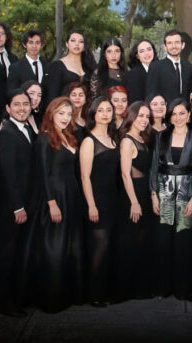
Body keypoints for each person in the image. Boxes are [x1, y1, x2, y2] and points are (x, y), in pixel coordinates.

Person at [30, 97, 86, 313]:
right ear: (51, 113)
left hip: (71, 194)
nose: (65, 118)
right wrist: (51, 203)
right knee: (54, 247)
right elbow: (43, 174)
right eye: (60, 113)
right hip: (54, 196)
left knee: (70, 246)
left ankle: (68, 294)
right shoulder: (44, 140)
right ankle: (50, 298)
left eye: (68, 113)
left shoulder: (69, 137)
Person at [149, 98, 192, 299]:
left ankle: (183, 288)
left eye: (182, 113)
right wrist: (154, 195)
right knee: (163, 240)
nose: (178, 117)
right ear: (169, 116)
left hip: (186, 191)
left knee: (184, 239)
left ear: (189, 115)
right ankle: (163, 287)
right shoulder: (160, 136)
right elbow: (154, 166)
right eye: (174, 114)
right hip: (163, 191)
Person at [0, 88, 38, 318]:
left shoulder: (27, 128)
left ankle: (15, 297)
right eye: (17, 105)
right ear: (8, 108)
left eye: (26, 104)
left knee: (18, 252)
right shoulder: (7, 133)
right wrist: (17, 206)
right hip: (12, 207)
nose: (22, 109)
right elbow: (8, 174)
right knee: (5, 253)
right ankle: (2, 302)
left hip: (26, 203)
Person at [79, 97, 121, 307]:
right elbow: (85, 176)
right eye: (101, 110)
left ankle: (104, 290)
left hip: (113, 198)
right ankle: (93, 294)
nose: (105, 114)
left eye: (108, 110)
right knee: (99, 246)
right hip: (96, 200)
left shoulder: (113, 138)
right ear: (93, 114)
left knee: (109, 245)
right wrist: (91, 205)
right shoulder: (89, 141)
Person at [115, 101, 156, 301]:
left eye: (147, 116)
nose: (144, 120)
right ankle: (124, 289)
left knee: (141, 239)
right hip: (132, 195)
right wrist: (134, 202)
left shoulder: (142, 138)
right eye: (140, 115)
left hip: (144, 192)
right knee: (129, 240)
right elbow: (125, 174)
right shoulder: (127, 141)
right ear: (131, 116)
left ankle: (139, 286)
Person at [46, 31, 95, 105]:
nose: (77, 44)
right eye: (73, 40)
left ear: (84, 46)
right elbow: (52, 96)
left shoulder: (89, 66)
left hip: (85, 112)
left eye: (81, 41)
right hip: (65, 111)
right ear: (67, 44)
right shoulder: (57, 66)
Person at [146, 30, 192, 103]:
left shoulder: (189, 67)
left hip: (184, 111)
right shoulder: (156, 67)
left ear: (183, 45)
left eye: (177, 42)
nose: (174, 46)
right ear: (165, 46)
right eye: (169, 43)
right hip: (164, 111)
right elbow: (151, 94)